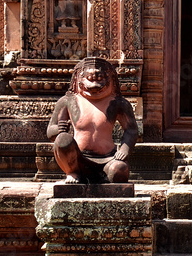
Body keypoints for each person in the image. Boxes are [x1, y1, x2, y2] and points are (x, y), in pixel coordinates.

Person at [47, 56, 138, 184]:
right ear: (77, 79)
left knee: (120, 171)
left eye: (100, 78)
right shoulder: (67, 101)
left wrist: (124, 150)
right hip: (77, 159)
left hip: (109, 159)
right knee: (62, 140)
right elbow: (50, 131)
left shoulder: (118, 103)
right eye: (89, 78)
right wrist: (58, 129)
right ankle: (72, 172)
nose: (95, 84)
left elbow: (131, 130)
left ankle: (104, 175)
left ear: (112, 80)